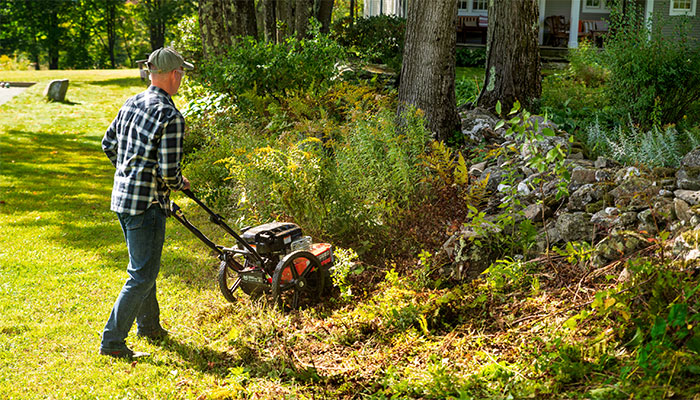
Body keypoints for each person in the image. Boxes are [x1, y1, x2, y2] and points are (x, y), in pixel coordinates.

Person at [99, 47, 193, 358]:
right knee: (141, 274)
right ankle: (112, 342)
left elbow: (108, 143)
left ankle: (150, 327)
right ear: (174, 74)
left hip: (123, 199)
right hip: (147, 205)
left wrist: (129, 172)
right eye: (181, 73)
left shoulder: (131, 102)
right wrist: (181, 183)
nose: (181, 79)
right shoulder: (170, 116)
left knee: (145, 267)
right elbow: (168, 172)